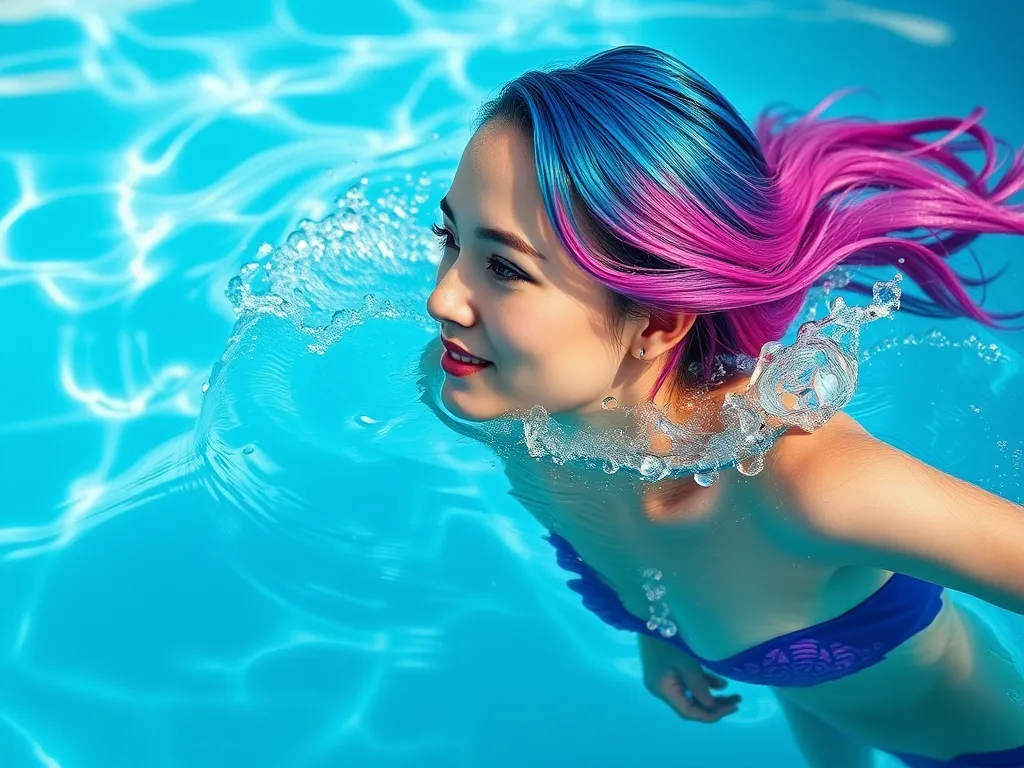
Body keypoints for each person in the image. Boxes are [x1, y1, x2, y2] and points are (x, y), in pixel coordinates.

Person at [421, 45, 1024, 767]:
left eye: (506, 268)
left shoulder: (808, 484)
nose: (442, 299)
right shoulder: (501, 408)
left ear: (657, 324)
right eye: (449, 238)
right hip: (829, 719)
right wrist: (657, 630)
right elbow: (626, 542)